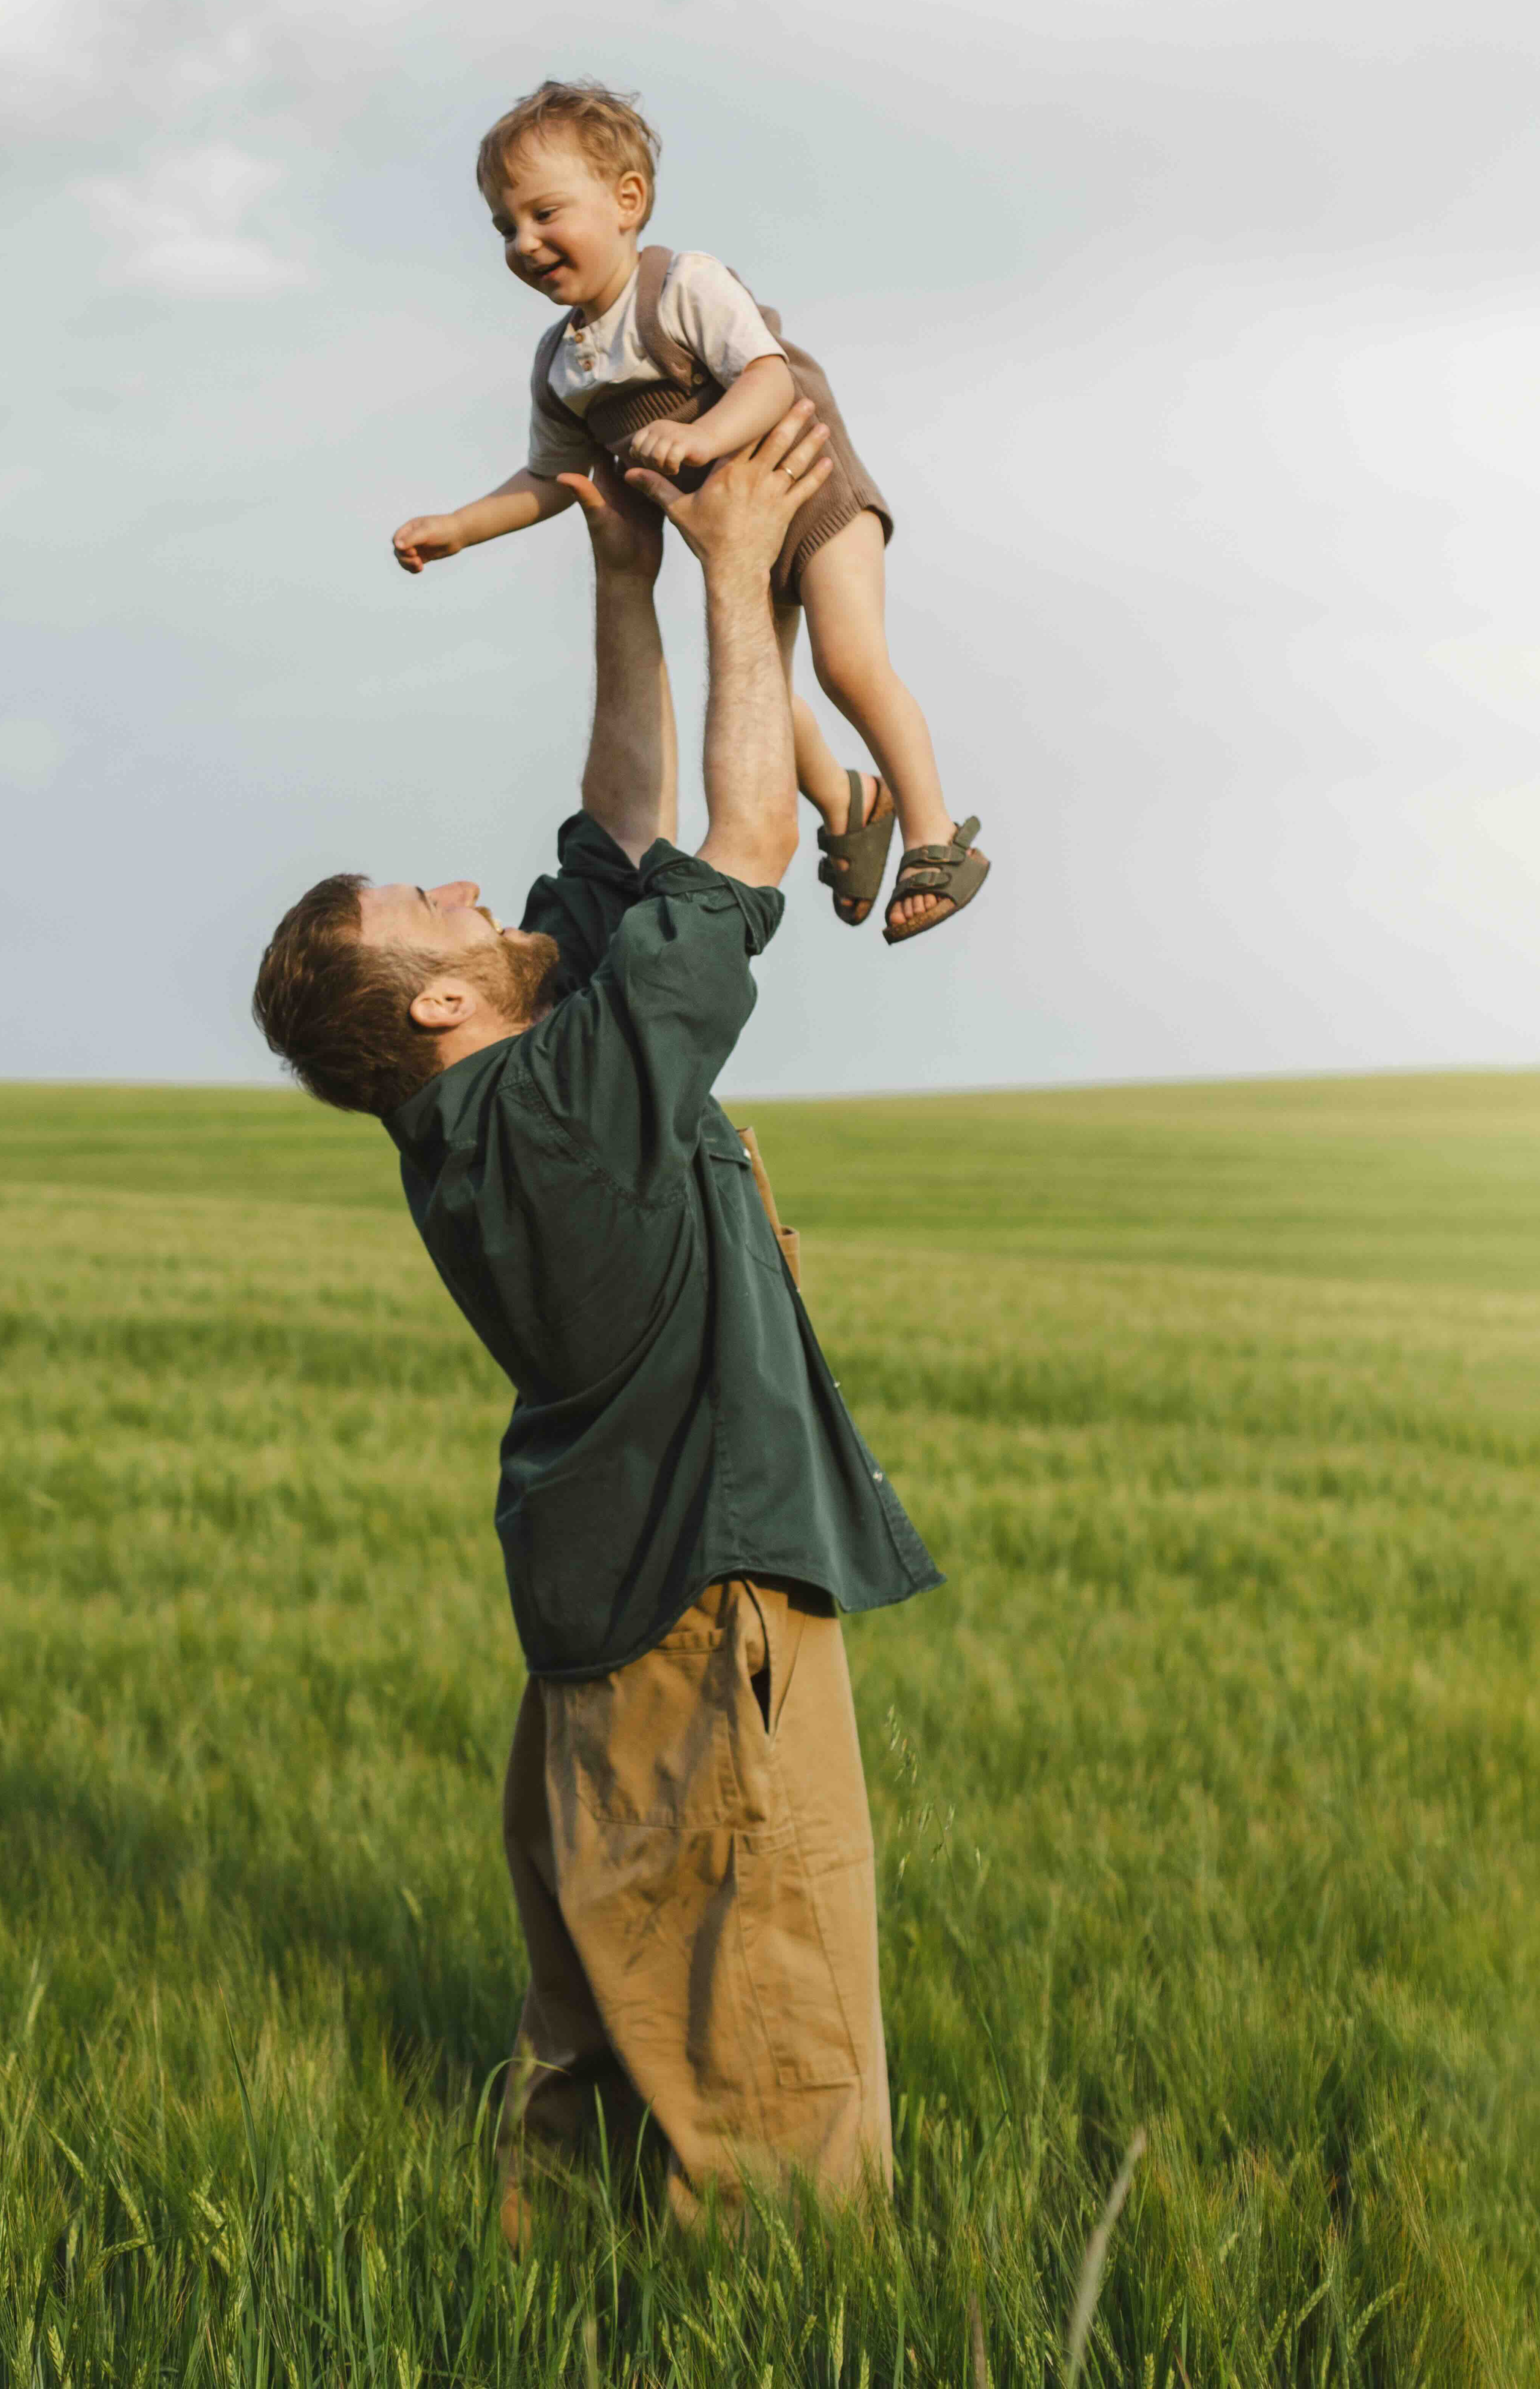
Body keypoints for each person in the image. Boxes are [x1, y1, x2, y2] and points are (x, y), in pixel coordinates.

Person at [256, 402, 942, 2226]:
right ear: (428, 1005)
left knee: (609, 2074)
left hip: (603, 1650)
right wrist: (737, 580)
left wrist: (620, 580)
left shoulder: (495, 1101)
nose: (476, 889)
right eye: (433, 907)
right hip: (705, 1639)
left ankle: (559, 2318)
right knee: (768, 2081)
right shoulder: (557, 1113)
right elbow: (732, 841)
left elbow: (619, 835)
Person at [389, 78, 989, 947]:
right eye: (505, 228)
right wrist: (459, 526)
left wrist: (702, 436)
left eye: (545, 213)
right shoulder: (563, 365)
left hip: (816, 497)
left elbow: (770, 375)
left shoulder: (683, 287)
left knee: (848, 664)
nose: (525, 242)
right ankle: (850, 799)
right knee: (760, 695)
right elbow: (549, 477)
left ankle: (935, 835)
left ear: (627, 201)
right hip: (732, 541)